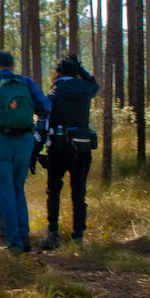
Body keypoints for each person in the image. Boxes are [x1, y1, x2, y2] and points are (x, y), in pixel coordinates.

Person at [0, 51, 51, 253]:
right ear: (13, 65)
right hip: (25, 142)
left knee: (4, 192)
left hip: (0, 142)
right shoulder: (26, 83)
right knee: (18, 189)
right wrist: (30, 124)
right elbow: (46, 106)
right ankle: (24, 237)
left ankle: (15, 242)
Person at [39, 55, 99, 248]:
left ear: (60, 72)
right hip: (81, 146)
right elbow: (95, 84)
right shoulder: (86, 89)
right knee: (79, 191)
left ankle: (53, 233)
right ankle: (78, 235)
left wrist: (38, 148)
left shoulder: (55, 91)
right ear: (76, 73)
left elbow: (44, 120)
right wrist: (82, 70)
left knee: (54, 191)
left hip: (58, 148)